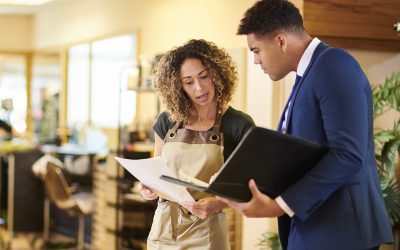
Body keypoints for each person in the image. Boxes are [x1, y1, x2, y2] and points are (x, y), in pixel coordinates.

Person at [220, 1, 394, 250]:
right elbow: (302, 157)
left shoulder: (333, 64)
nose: (256, 61)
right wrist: (234, 188)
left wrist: (280, 205)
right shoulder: (308, 75)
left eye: (256, 50)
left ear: (281, 41)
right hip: (315, 229)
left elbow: (347, 154)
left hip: (340, 233)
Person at [139, 39, 255, 250]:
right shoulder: (166, 121)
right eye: (189, 82)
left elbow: (249, 187)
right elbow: (157, 172)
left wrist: (218, 203)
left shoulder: (238, 125)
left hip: (207, 232)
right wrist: (148, 187)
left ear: (217, 74)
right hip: (164, 230)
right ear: (178, 86)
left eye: (204, 76)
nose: (199, 87)